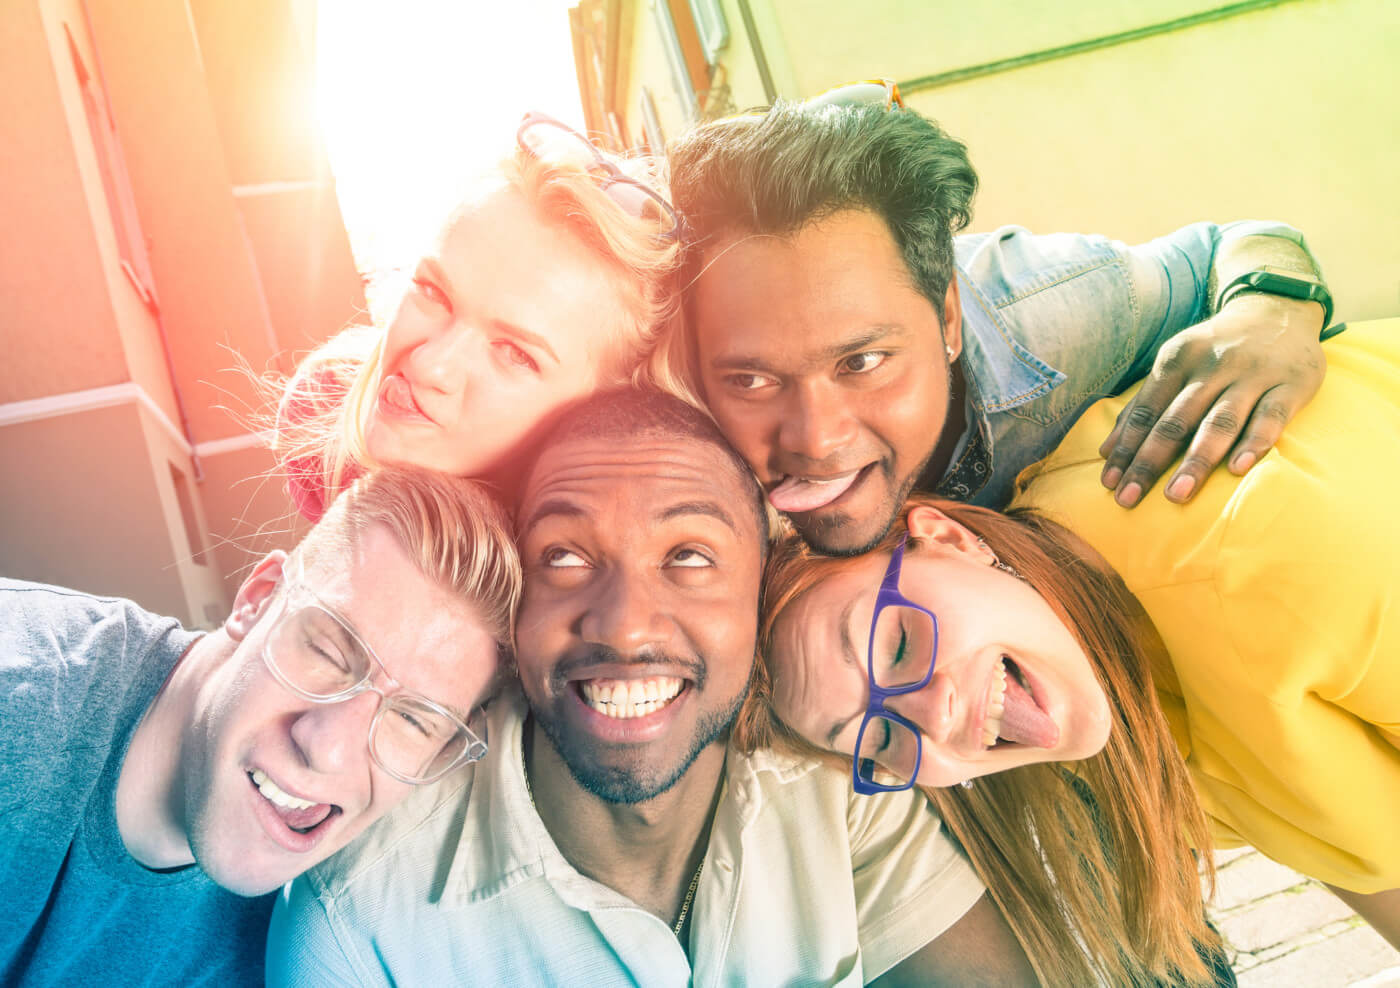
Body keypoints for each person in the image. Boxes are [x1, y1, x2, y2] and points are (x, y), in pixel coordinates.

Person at [267, 389, 1037, 986]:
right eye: (564, 558)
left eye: (691, 558)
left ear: (762, 591)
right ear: (510, 607)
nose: (627, 628)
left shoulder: (844, 790)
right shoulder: (357, 922)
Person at [756, 319, 1400, 977]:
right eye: (878, 741)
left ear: (949, 538)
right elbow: (1337, 836)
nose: (932, 717)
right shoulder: (1095, 683)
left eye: (896, 646)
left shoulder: (1270, 560)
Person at [666, 83, 1333, 556]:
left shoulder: (1057, 310)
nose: (814, 439)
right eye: (751, 380)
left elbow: (1232, 244)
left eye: (862, 363)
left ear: (948, 317)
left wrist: (1270, 308)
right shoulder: (670, 435)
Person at [0, 466, 519, 985]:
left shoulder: (318, 945)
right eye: (328, 652)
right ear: (258, 598)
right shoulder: (20, 698)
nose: (330, 750)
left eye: (413, 719)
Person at [275, 112, 685, 521]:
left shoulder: (594, 564)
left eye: (515, 353)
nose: (429, 365)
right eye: (433, 292)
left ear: (601, 415)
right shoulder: (322, 416)